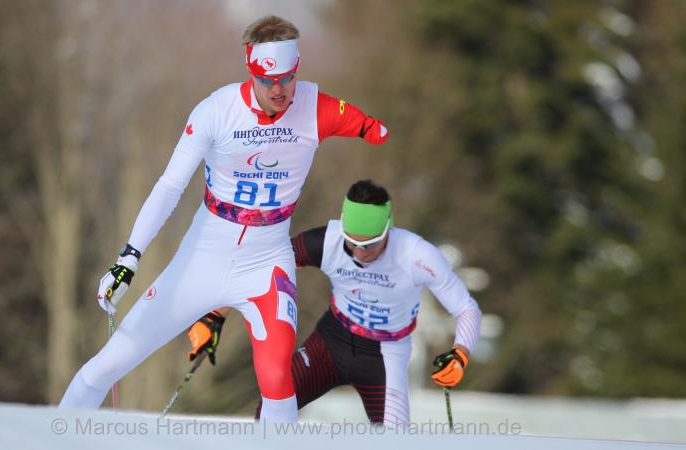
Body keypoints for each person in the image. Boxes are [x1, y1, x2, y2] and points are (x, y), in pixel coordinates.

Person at [58, 16, 389, 422]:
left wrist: (380, 130)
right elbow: (169, 187)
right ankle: (48, 436)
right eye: (267, 80)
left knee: (276, 378)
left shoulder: (316, 109)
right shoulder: (217, 110)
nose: (279, 90)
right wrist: (129, 257)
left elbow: (371, 126)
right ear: (250, 70)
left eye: (287, 78)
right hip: (201, 260)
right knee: (108, 365)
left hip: (266, 266)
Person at [188, 180, 481, 426]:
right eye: (351, 242)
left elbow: (466, 308)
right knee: (272, 406)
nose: (359, 252)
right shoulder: (327, 241)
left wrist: (460, 353)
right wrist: (215, 314)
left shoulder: (418, 255)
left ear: (388, 230)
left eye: (369, 244)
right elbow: (261, 268)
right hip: (331, 342)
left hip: (385, 355)